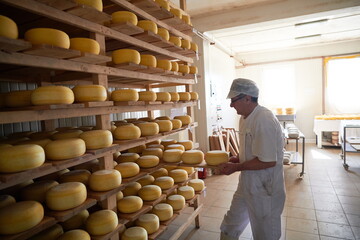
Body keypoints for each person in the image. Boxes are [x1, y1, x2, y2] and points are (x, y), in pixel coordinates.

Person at [219, 78, 286, 240]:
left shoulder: (264, 119)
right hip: (247, 184)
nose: (231, 105)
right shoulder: (245, 118)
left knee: (265, 234)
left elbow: (268, 161)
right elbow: (252, 151)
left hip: (265, 189)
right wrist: (237, 159)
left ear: (247, 98)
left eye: (233, 101)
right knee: (230, 225)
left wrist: (236, 167)